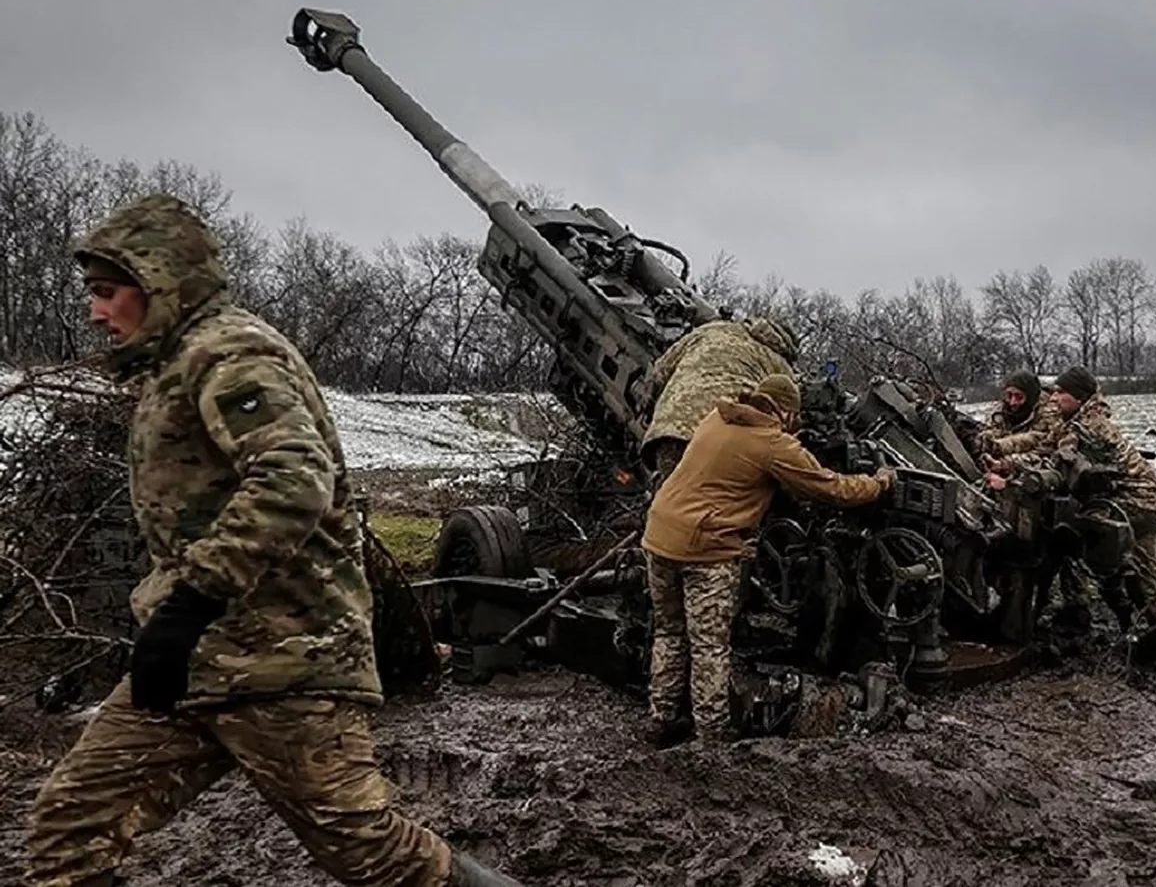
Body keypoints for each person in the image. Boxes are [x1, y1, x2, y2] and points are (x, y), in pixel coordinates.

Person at [25, 194, 520, 887]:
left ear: (159, 283)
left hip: (285, 664)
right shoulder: (175, 366)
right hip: (196, 664)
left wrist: (189, 601)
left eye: (109, 293)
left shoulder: (228, 354)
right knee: (68, 830)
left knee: (370, 851)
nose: (95, 312)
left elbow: (292, 479)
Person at [639, 373, 895, 746]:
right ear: (785, 411)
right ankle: (711, 736)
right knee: (709, 645)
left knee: (670, 633)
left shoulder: (718, 417)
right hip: (704, 548)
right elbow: (832, 488)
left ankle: (660, 721)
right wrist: (879, 483)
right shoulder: (771, 444)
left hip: (659, 536)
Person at [997, 366, 1156, 634]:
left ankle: (1137, 624)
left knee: (1080, 544)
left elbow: (1057, 470)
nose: (1055, 398)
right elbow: (1046, 447)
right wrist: (1006, 461)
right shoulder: (1078, 421)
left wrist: (1008, 481)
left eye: (1061, 393)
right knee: (1142, 575)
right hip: (1147, 501)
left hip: (1133, 504)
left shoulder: (1087, 428)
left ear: (1079, 397)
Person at [977, 370, 1087, 630]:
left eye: (1019, 397)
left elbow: (1042, 449)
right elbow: (988, 438)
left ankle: (1075, 604)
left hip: (1047, 481)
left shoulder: (1051, 415)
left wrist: (1005, 459)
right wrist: (991, 455)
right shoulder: (998, 413)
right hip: (1010, 482)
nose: (1013, 402)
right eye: (1009, 396)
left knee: (1062, 541)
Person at [640, 317, 797, 484]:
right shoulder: (781, 367)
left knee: (672, 493)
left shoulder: (715, 329)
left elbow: (660, 370)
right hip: (720, 442)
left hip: (671, 429)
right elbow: (787, 415)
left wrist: (651, 407)